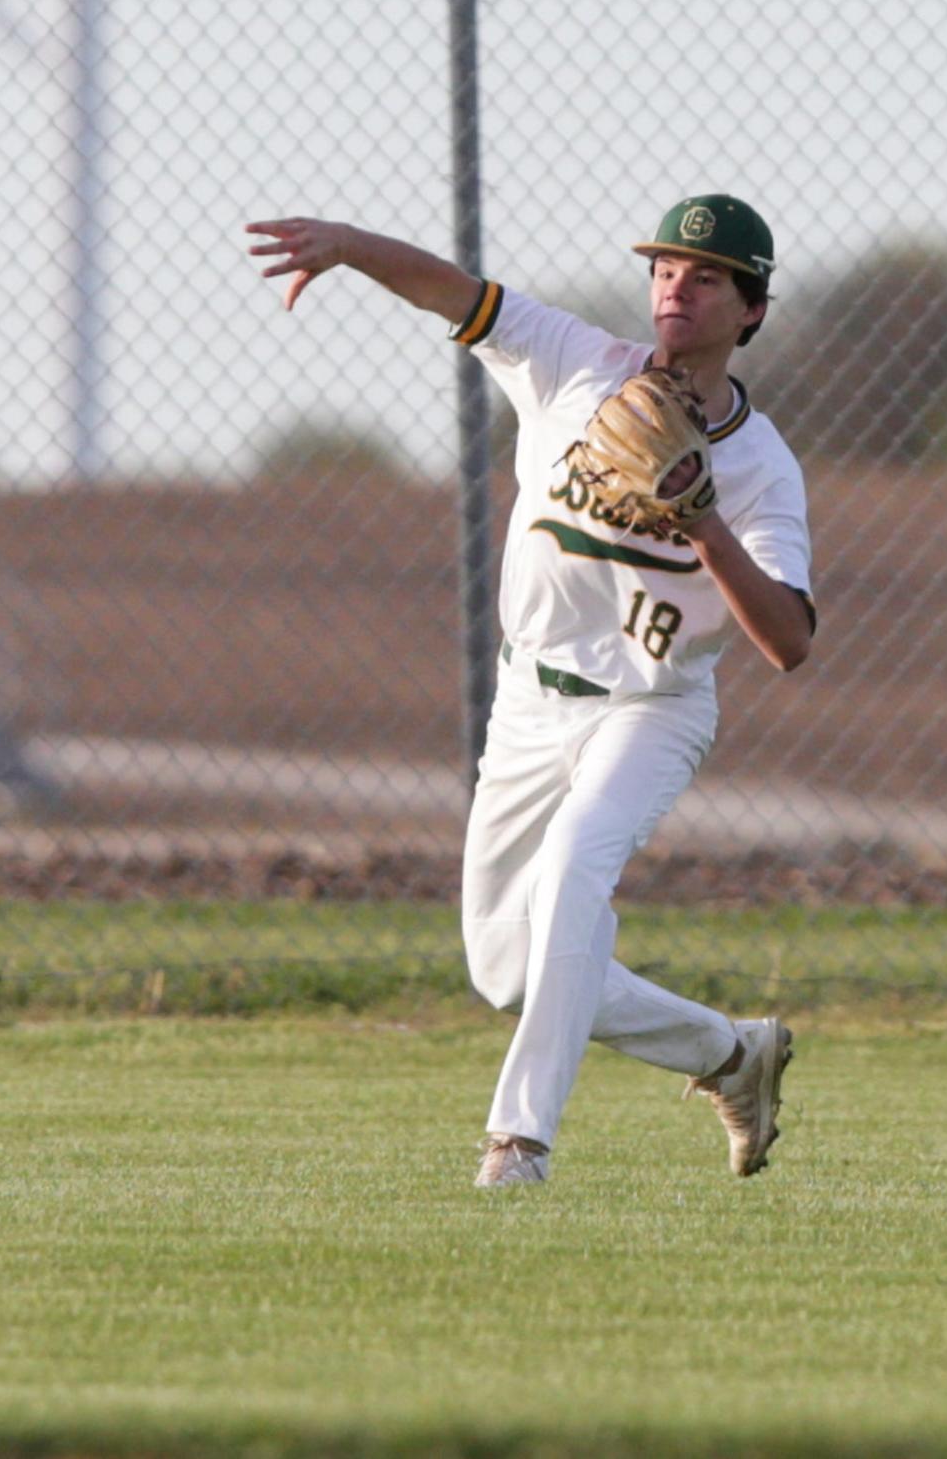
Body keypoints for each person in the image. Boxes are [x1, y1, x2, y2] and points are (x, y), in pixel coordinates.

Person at [246, 195, 813, 1189]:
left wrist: (706, 522)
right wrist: (345, 248)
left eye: (707, 276)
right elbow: (452, 294)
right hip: (529, 701)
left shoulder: (762, 468)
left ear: (751, 309)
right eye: (666, 271)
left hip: (650, 709)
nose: (677, 288)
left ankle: (519, 1145)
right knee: (505, 969)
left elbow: (790, 641)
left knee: (571, 883)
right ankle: (733, 1053)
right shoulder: (572, 359)